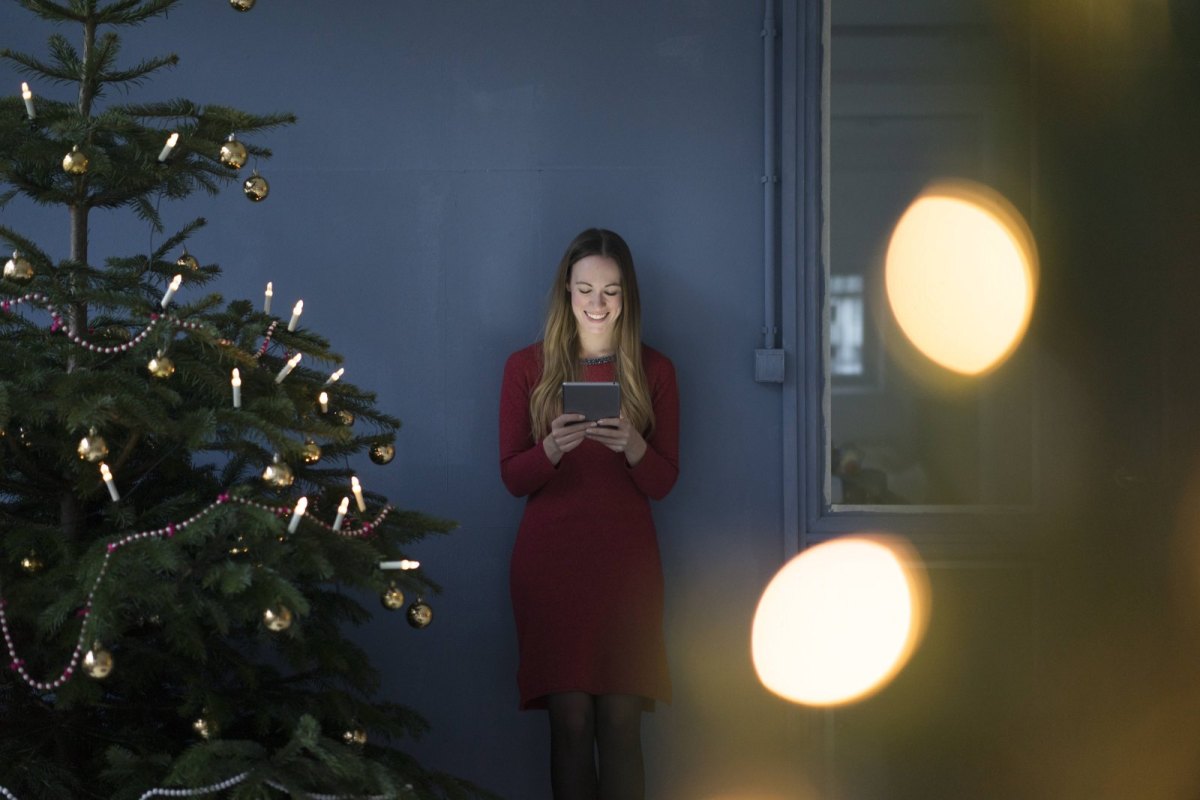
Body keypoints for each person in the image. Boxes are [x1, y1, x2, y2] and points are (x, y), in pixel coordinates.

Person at [498, 228, 680, 800]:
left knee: (623, 724)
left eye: (610, 291)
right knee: (571, 724)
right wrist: (551, 447)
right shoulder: (526, 368)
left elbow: (664, 482)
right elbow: (511, 477)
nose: (597, 305)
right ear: (566, 292)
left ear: (628, 297)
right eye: (585, 290)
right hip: (552, 564)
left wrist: (632, 446)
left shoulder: (655, 371)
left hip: (626, 567)